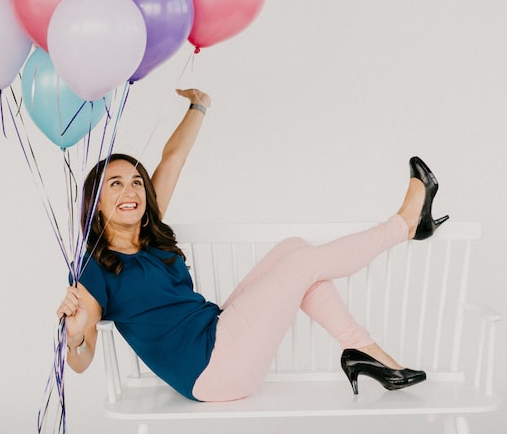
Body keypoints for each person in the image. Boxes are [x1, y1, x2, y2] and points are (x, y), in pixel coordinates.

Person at [57, 88, 448, 401]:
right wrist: (74, 336)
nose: (131, 190)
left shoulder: (149, 229)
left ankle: (365, 352)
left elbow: (173, 158)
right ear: (95, 201)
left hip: (219, 336)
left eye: (136, 182)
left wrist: (199, 105)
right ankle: (405, 226)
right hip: (211, 371)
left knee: (293, 250)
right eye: (115, 184)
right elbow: (81, 359)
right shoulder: (95, 266)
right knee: (301, 266)